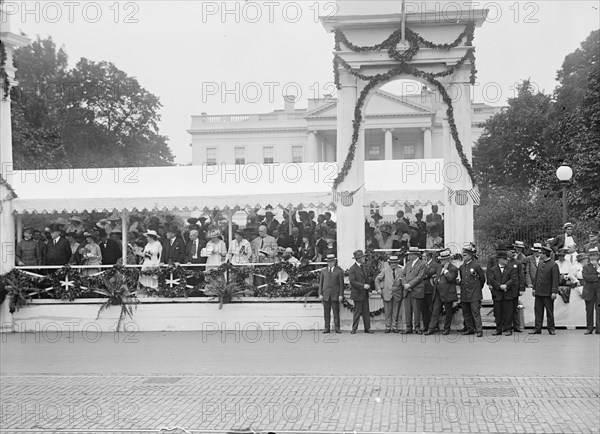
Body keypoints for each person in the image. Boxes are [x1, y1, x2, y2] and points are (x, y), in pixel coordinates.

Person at [425, 249, 459, 335]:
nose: (441, 261)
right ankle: (431, 328)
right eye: (441, 259)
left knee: (448, 312)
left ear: (448, 259)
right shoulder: (439, 267)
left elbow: (451, 279)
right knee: (435, 311)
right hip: (438, 292)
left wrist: (446, 271)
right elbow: (436, 278)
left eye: (443, 260)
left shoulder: (454, 268)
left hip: (448, 293)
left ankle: (446, 328)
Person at [529, 246, 559, 335]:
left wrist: (554, 291)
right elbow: (537, 277)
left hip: (547, 292)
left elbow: (555, 279)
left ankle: (551, 328)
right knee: (538, 311)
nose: (540, 255)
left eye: (541, 253)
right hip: (539, 292)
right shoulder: (541, 263)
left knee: (549, 311)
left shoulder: (553, 264)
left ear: (545, 254)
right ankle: (537, 328)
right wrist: (534, 288)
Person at [487, 250, 518, 336]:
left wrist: (506, 285)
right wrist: (500, 286)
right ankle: (498, 329)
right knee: (498, 313)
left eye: (507, 259)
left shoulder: (511, 269)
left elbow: (513, 279)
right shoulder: (493, 269)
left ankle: (509, 328)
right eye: (504, 259)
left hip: (508, 293)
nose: (507, 260)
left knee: (508, 312)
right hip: (498, 294)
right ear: (499, 259)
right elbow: (491, 280)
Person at [459, 244, 485, 337]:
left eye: (465, 255)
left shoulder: (476, 265)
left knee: (475, 312)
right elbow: (462, 279)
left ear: (470, 255)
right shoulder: (461, 267)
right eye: (463, 255)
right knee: (466, 313)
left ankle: (479, 330)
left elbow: (482, 278)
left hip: (474, 293)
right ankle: (470, 329)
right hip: (465, 293)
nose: (463, 256)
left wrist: (478, 288)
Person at [399, 247, 426, 334]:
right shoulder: (408, 263)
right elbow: (402, 275)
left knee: (416, 310)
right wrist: (404, 284)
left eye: (410, 254)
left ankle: (417, 328)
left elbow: (420, 277)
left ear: (415, 255)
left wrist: (409, 285)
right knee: (408, 310)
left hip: (416, 290)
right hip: (407, 290)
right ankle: (408, 327)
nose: (409, 256)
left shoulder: (422, 264)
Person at [375, 254, 404, 333]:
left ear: (397, 263)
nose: (393, 264)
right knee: (388, 311)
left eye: (395, 263)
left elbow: (404, 281)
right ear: (389, 263)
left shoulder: (401, 270)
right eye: (392, 263)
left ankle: (394, 327)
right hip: (387, 293)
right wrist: (378, 289)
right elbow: (377, 279)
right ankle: (387, 327)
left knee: (396, 311)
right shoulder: (385, 270)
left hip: (397, 293)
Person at [348, 250, 374, 334]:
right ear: (358, 259)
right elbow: (352, 282)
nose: (364, 258)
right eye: (362, 257)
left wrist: (369, 291)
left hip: (365, 293)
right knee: (357, 312)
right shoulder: (352, 269)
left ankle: (367, 328)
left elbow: (367, 280)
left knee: (366, 312)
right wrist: (363, 286)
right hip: (357, 293)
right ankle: (354, 328)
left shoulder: (364, 267)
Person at [318, 253, 344, 334]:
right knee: (326, 313)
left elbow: (341, 284)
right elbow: (321, 283)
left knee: (336, 312)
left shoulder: (339, 271)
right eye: (329, 262)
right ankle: (327, 328)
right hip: (326, 295)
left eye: (332, 261)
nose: (330, 263)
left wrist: (341, 295)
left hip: (335, 294)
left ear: (334, 262)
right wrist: (320, 293)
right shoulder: (323, 271)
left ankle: (337, 328)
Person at [507, 244, 526, 332]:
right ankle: (507, 326)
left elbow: (521, 276)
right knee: (507, 309)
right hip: (506, 289)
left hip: (514, 289)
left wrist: (521, 288)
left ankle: (516, 326)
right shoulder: (504, 262)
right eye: (512, 252)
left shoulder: (517, 263)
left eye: (514, 252)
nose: (513, 253)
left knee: (515, 308)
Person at [581, 248, 600, 335]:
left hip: (598, 292)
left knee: (599, 311)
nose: (593, 257)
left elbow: (589, 277)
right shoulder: (585, 266)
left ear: (598, 256)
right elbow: (586, 277)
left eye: (594, 255)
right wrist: (597, 277)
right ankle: (589, 328)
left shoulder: (599, 266)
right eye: (591, 255)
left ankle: (598, 329)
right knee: (589, 311)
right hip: (588, 292)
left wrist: (597, 267)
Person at [421, 251, 441, 333]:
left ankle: (434, 326)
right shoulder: (423, 265)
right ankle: (426, 326)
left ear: (429, 257)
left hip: (430, 290)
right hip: (422, 290)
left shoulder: (435, 264)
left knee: (431, 309)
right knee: (423, 309)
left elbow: (429, 273)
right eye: (422, 256)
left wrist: (425, 266)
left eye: (424, 256)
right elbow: (421, 275)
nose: (422, 258)